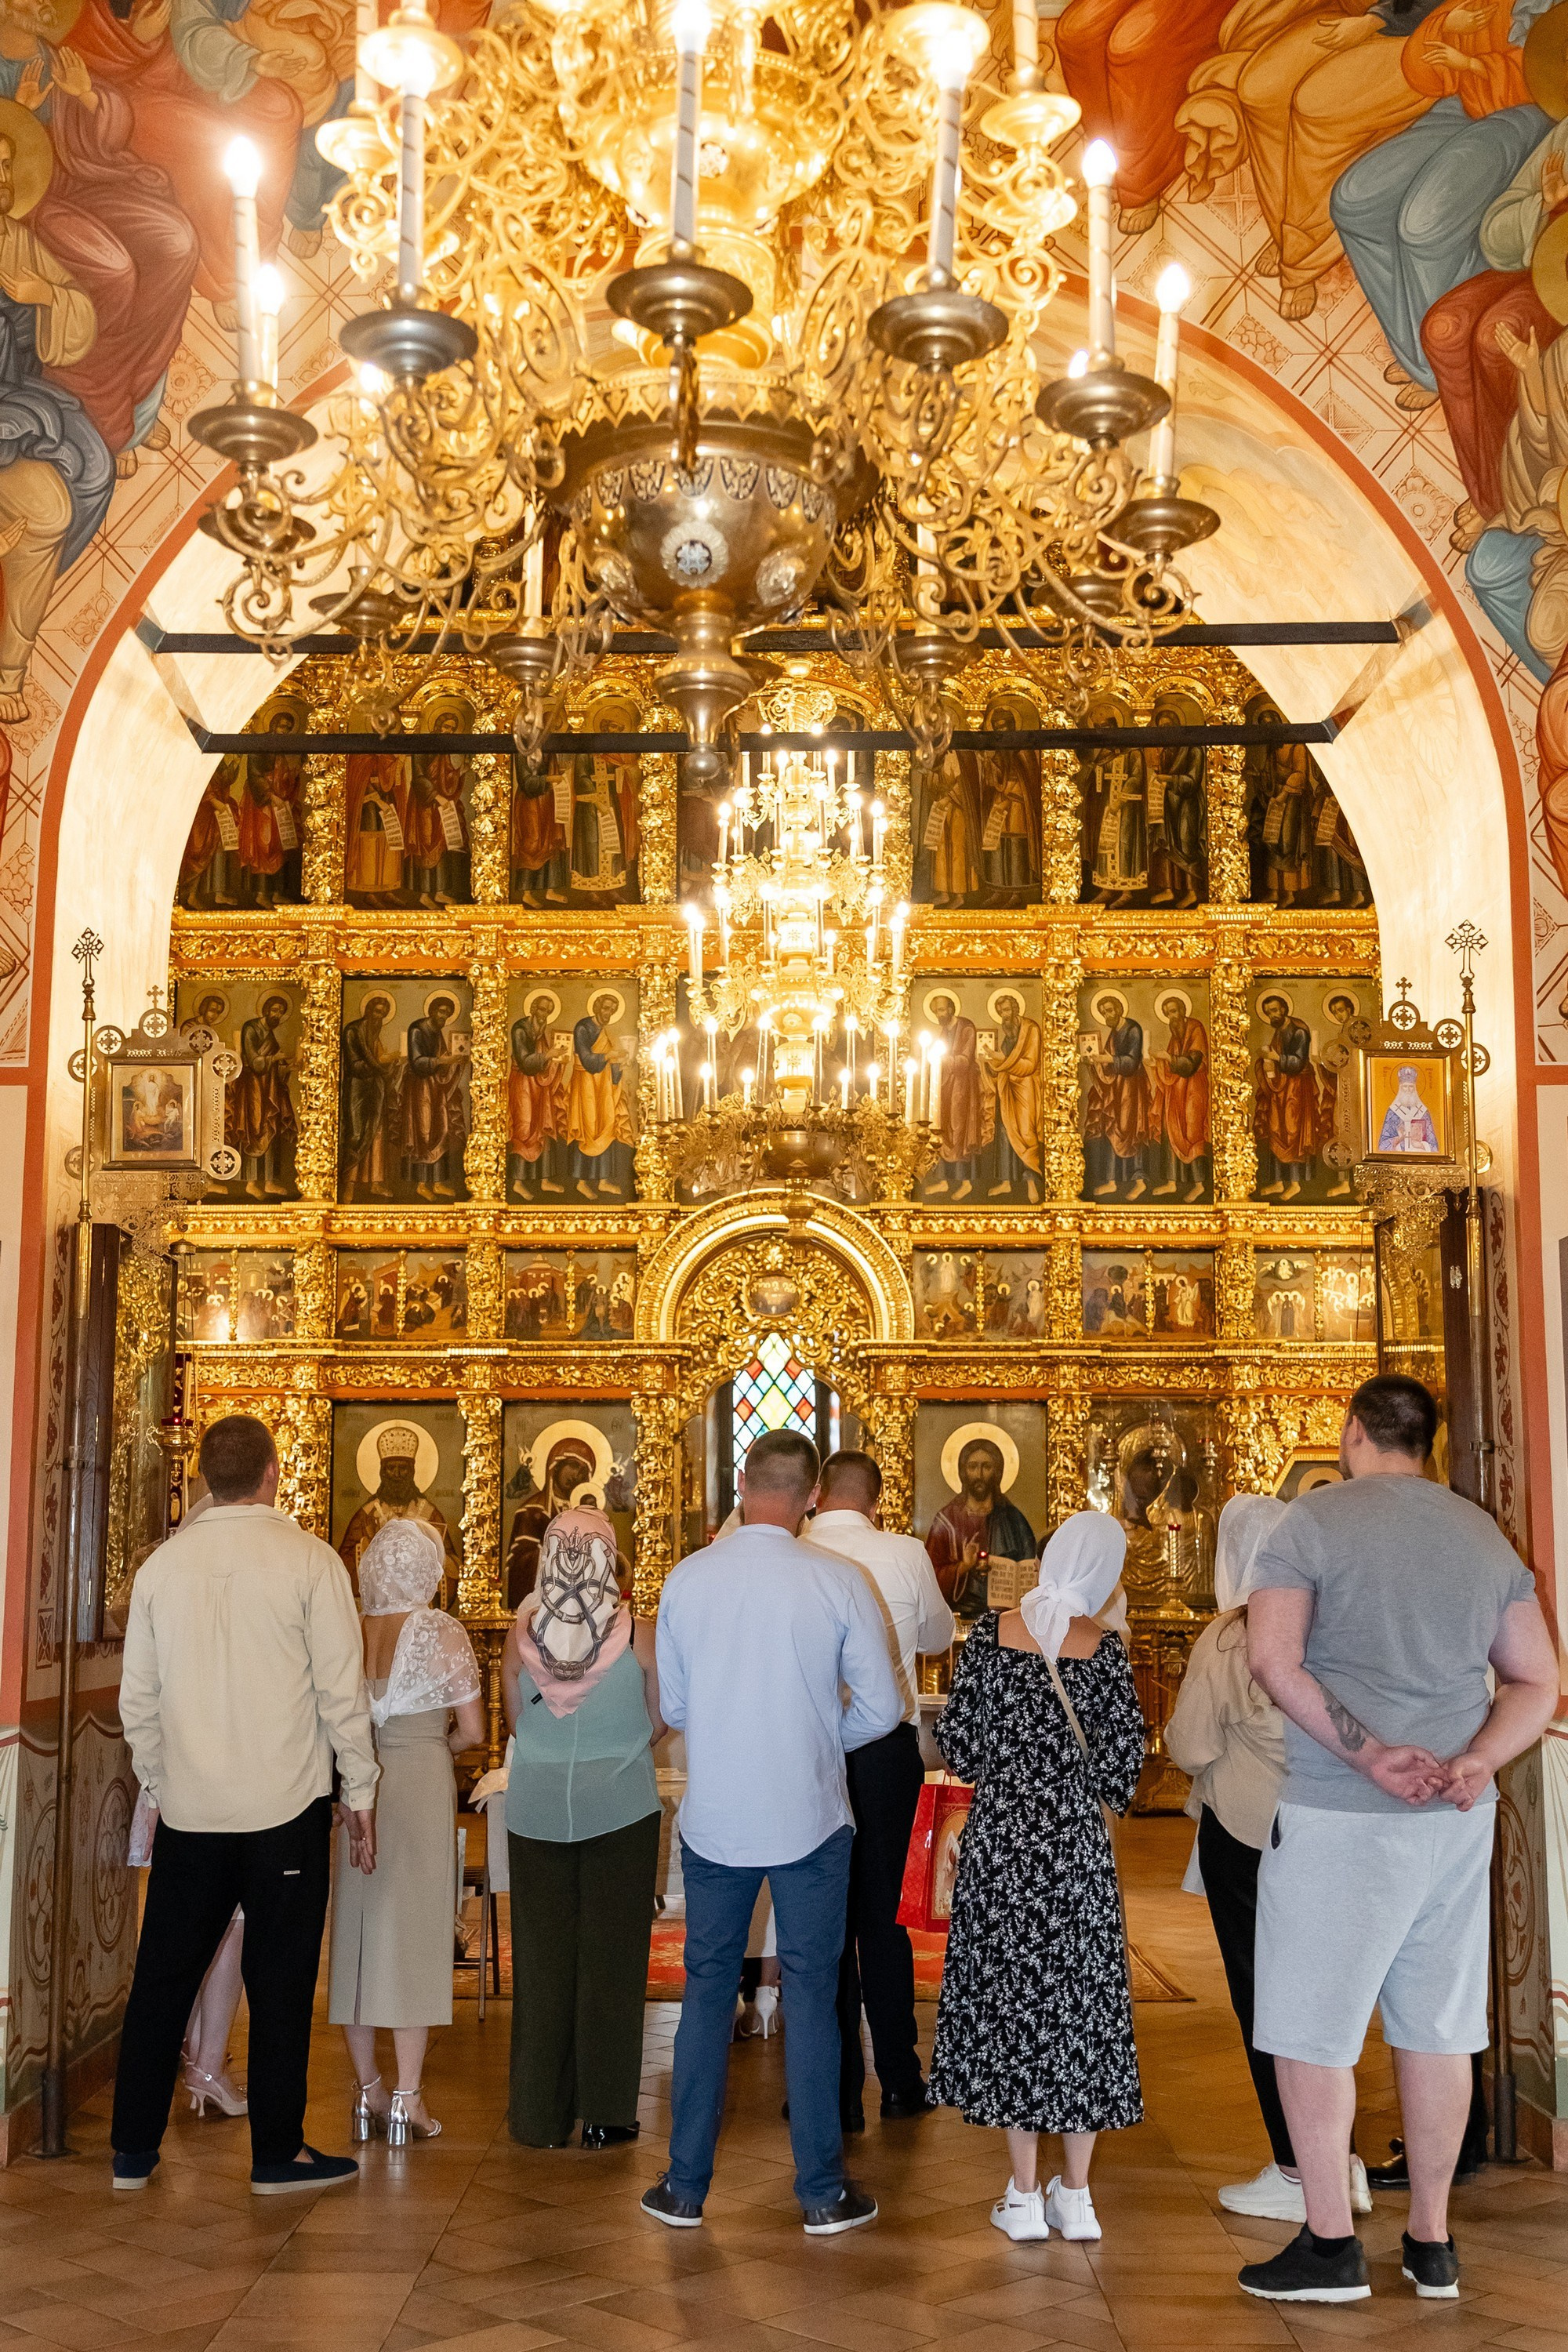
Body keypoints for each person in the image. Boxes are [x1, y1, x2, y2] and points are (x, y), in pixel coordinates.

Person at [1238, 1375, 1558, 2306]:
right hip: (1453, 1821)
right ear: (1429, 1441)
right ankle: (1430, 2243)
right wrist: (1472, 1763)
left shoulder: (1311, 1523)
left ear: (1349, 1434)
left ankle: (1331, 2248)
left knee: (1309, 2033)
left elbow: (1270, 1657)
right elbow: (1536, 1681)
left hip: (1342, 1812)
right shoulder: (1477, 1531)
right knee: (1438, 2029)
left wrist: (1373, 1755)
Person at [644, 1429, 903, 2235]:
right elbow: (884, 1711)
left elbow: (676, 1710)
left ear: (741, 1482)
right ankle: (822, 2192)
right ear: (812, 1496)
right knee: (813, 1994)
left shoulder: (687, 1579)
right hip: (811, 1817)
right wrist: (821, 1737)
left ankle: (684, 2188)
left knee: (707, 1990)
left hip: (717, 1816)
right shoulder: (839, 1578)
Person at [114, 1414, 379, 2195]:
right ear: (270, 1476)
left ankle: (132, 2152)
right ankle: (276, 2155)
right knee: (282, 1982)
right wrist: (357, 1791)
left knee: (163, 1976)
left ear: (206, 1478)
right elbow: (341, 1694)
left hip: (193, 1812)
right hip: (285, 1811)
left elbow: (139, 1702)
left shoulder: (162, 1569)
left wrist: (163, 1783)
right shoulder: (310, 1561)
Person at [927, 1514, 1145, 2245]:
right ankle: (1076, 2197)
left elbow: (959, 1740)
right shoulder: (1106, 1651)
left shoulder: (993, 1635)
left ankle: (1022, 2196)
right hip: (1076, 1855)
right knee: (1079, 2006)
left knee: (1012, 2007)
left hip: (1005, 1850)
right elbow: (1122, 1774)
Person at [1167, 1496, 1373, 2226]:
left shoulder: (1232, 1636)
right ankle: (1339, 2165)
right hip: (1338, 1827)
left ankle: (1295, 2171)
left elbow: (1189, 1746)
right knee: (1330, 2001)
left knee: (1268, 2005)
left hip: (1251, 1838)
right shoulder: (1341, 1617)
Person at [501, 1506, 664, 2149]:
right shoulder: (643, 1635)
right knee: (612, 1963)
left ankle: (539, 2116)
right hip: (620, 1807)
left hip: (535, 1810)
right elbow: (662, 1718)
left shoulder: (522, 1633)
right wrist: (615, 1749)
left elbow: (516, 1722)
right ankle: (605, 2113)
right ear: (611, 1556)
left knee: (541, 1965)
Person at [805, 1450, 956, 2130]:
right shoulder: (903, 1552)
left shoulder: (794, 1551)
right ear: (875, 1500)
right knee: (884, 1918)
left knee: (823, 1920)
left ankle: (832, 2087)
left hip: (810, 1752)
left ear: (815, 1495)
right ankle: (900, 2078)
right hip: (885, 1752)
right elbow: (938, 1634)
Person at [328, 1520, 482, 2148]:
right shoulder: (441, 1630)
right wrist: (433, 1746)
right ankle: (407, 2098)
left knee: (358, 1935)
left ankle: (366, 2090)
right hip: (419, 1778)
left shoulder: (350, 1627)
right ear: (427, 1569)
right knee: (416, 1933)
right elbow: (473, 1730)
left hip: (356, 1781)